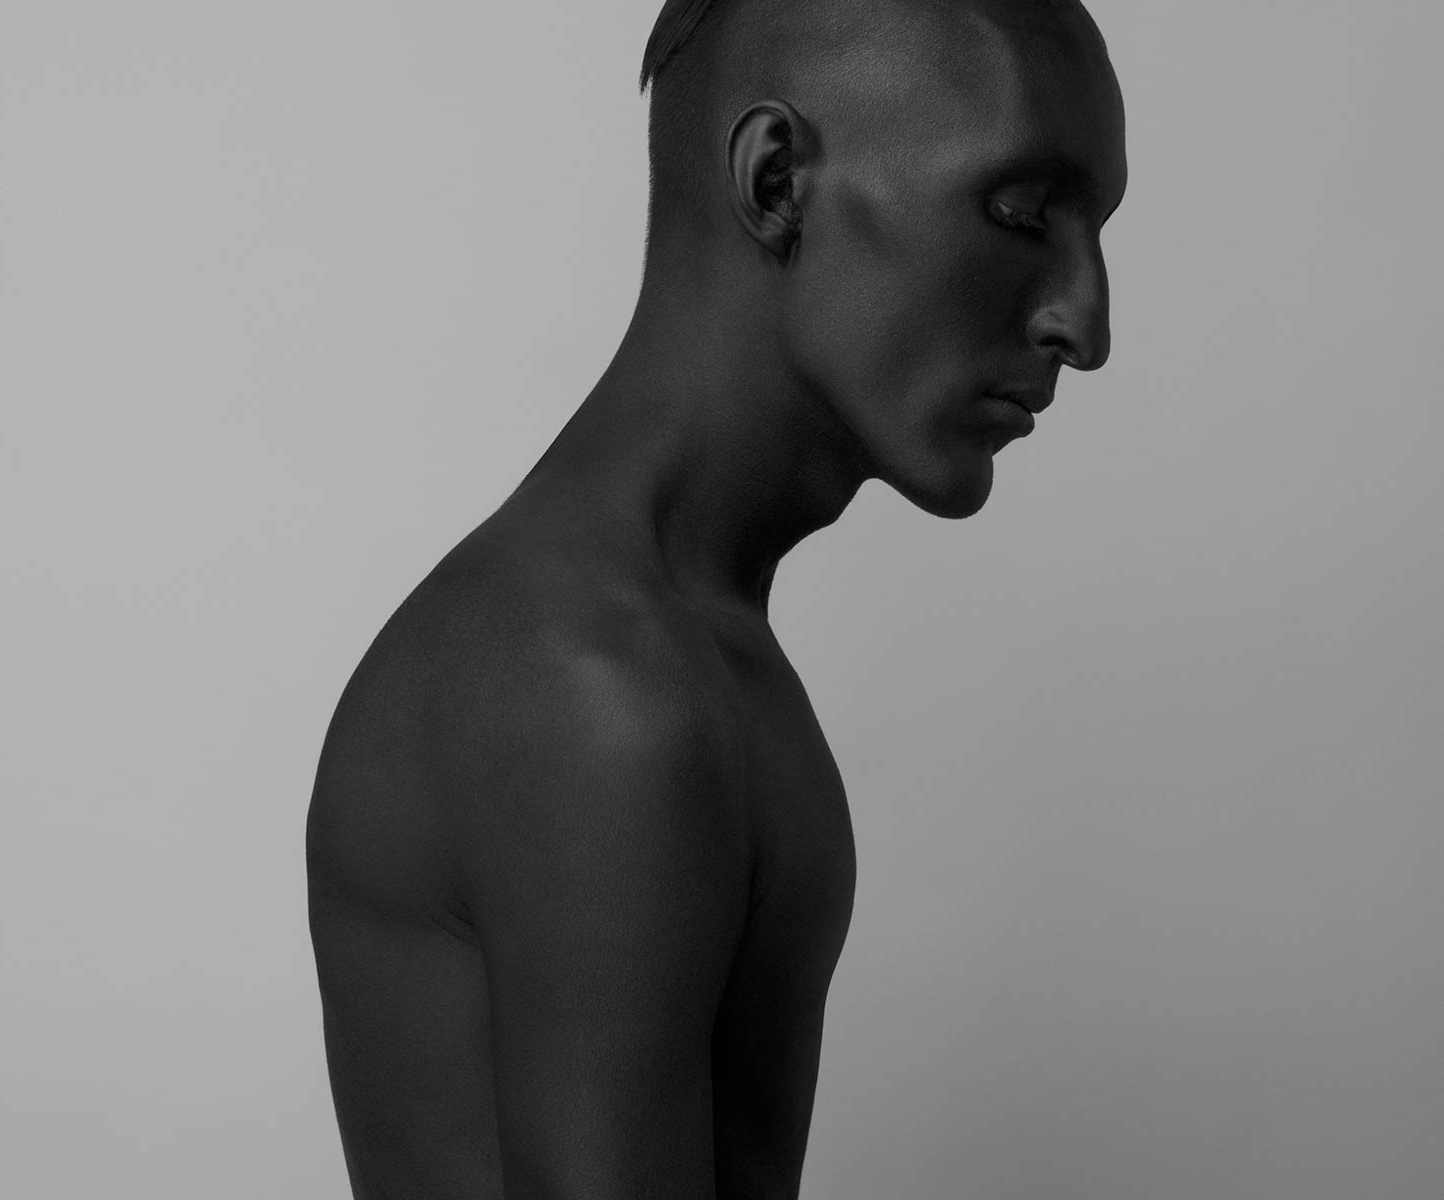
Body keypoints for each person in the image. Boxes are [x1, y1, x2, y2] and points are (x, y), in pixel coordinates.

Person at [305, 0, 1127, 1194]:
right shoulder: (598, 689)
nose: (1084, 324)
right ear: (776, 177)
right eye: (1021, 213)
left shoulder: (667, 650)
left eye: (1095, 234)